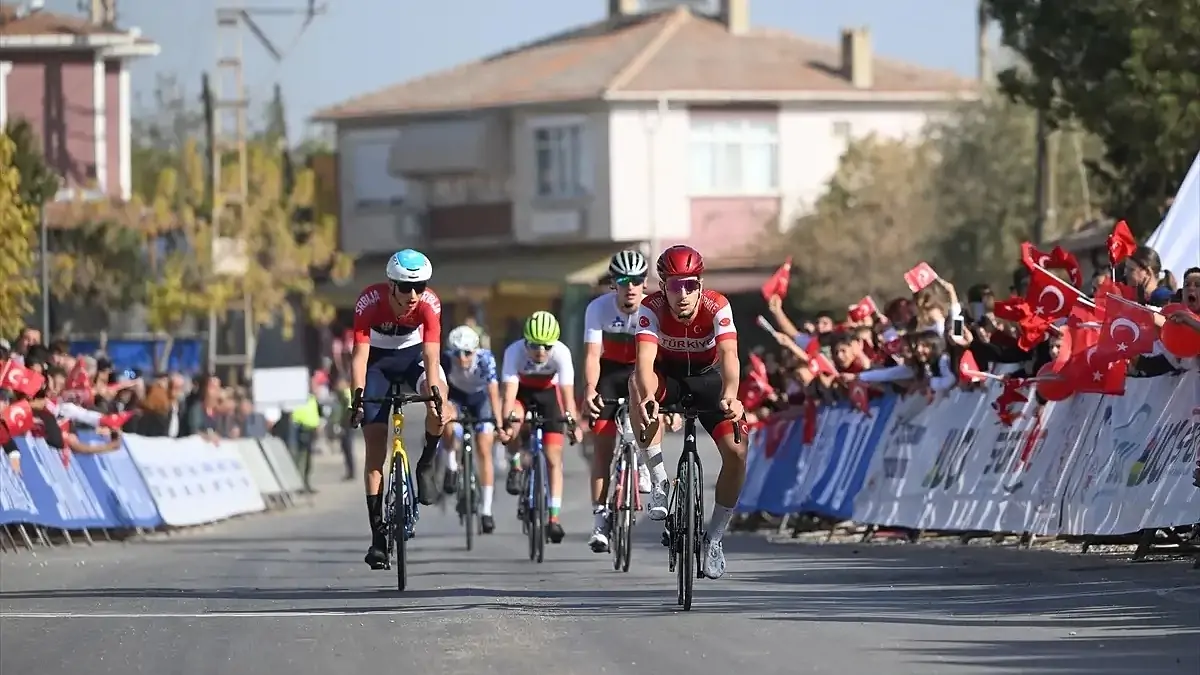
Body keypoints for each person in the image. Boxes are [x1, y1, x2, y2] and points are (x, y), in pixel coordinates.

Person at [631, 244, 747, 580]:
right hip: (668, 378)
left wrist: (731, 396)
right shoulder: (650, 307)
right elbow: (644, 362)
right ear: (663, 286)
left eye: (690, 285)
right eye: (674, 285)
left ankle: (715, 538)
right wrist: (649, 396)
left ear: (700, 284)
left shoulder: (717, 305)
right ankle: (659, 481)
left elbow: (729, 354)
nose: (682, 294)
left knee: (738, 453)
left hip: (709, 380)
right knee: (635, 385)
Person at [347, 249, 449, 571]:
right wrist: (357, 398)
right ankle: (378, 537)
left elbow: (431, 357)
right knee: (375, 448)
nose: (414, 295)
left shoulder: (429, 304)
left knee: (440, 404)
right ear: (391, 285)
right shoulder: (369, 301)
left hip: (413, 358)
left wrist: (435, 395)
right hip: (376, 363)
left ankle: (427, 462)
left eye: (420, 286)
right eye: (406, 287)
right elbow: (359, 357)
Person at [582, 250, 654, 553]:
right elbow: (592, 356)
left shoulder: (653, 309)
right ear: (614, 283)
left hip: (642, 371)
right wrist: (590, 389)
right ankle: (600, 522)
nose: (630, 287)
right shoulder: (597, 308)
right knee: (602, 449)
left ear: (645, 282)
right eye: (624, 281)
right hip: (609, 373)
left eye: (636, 280)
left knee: (644, 393)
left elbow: (660, 359)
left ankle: (645, 460)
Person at [496, 311, 583, 544]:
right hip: (522, 393)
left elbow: (567, 397)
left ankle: (553, 518)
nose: (541, 351)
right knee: (513, 421)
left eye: (547, 346)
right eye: (534, 345)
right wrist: (506, 425)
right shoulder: (514, 352)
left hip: (548, 396)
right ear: (525, 341)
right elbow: (509, 395)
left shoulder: (562, 353)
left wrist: (573, 425)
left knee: (554, 457)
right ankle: (515, 464)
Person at [439, 324, 504, 534]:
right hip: (456, 397)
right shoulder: (446, 360)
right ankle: (451, 465)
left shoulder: (485, 359)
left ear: (475, 351)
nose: (462, 358)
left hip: (480, 399)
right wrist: (444, 410)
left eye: (467, 353)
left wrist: (498, 422)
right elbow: (441, 390)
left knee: (484, 448)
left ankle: (486, 510)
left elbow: (493, 391)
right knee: (448, 425)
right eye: (457, 353)